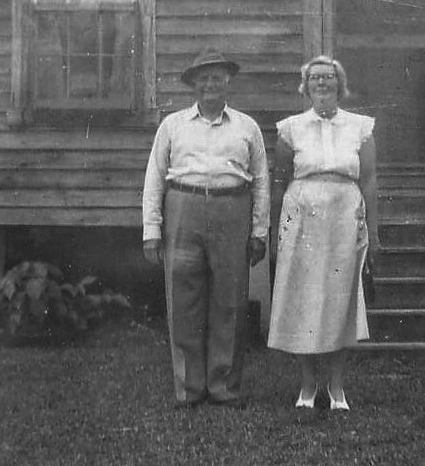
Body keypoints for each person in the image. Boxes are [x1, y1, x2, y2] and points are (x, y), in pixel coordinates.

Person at [141, 47, 270, 408]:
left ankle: (224, 387)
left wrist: (259, 232)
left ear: (228, 82)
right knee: (183, 299)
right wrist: (152, 229)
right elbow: (154, 177)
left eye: (216, 77)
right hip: (183, 206)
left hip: (233, 208)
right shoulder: (173, 125)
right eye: (203, 78)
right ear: (193, 85)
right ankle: (188, 388)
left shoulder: (247, 127)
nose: (210, 84)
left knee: (229, 300)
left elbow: (261, 180)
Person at [268, 55, 380, 412]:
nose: (322, 83)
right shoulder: (290, 129)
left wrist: (373, 231)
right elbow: (280, 180)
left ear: (339, 83)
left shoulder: (360, 127)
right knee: (301, 298)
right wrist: (274, 230)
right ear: (305, 85)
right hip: (301, 219)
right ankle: (307, 382)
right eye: (314, 77)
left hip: (345, 217)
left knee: (339, 299)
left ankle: (336, 386)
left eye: (328, 77)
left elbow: (370, 180)